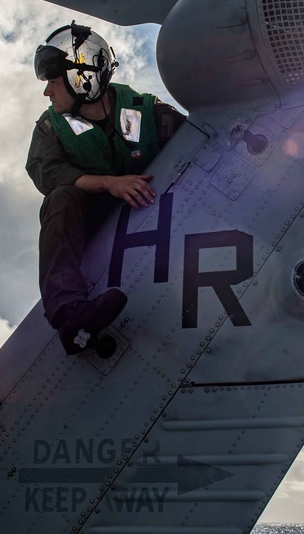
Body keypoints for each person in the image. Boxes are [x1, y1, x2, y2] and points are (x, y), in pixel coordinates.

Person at [26, 22, 185, 356]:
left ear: (81, 78)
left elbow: (199, 148)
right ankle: (68, 312)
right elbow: (46, 171)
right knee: (61, 199)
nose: (47, 92)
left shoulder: (144, 109)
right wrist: (110, 184)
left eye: (54, 82)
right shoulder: (52, 127)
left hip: (159, 212)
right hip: (98, 219)